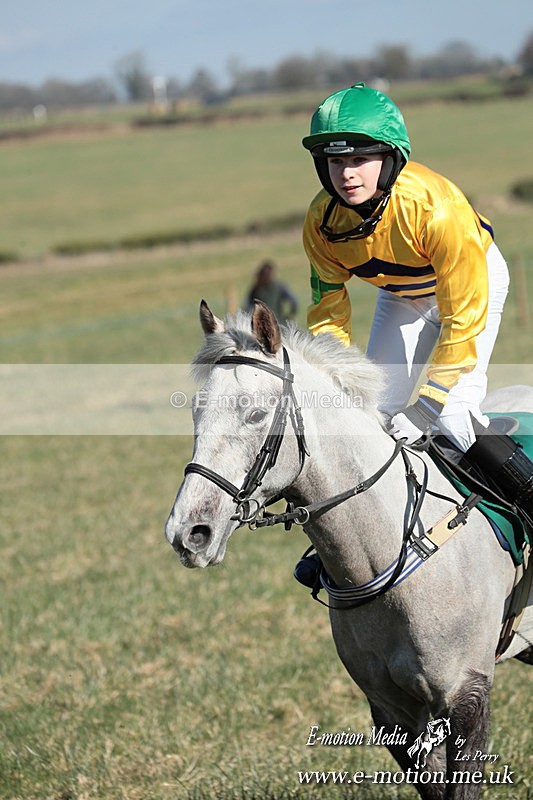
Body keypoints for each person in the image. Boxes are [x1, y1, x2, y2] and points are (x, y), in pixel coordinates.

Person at [300, 82, 533, 524]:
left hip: (472, 286)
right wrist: (340, 379)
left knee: (455, 414)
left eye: (359, 159)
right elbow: (328, 312)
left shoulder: (436, 208)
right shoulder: (321, 221)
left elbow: (462, 317)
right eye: (335, 161)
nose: (346, 174)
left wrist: (428, 406)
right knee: (376, 413)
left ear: (390, 159)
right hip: (404, 297)